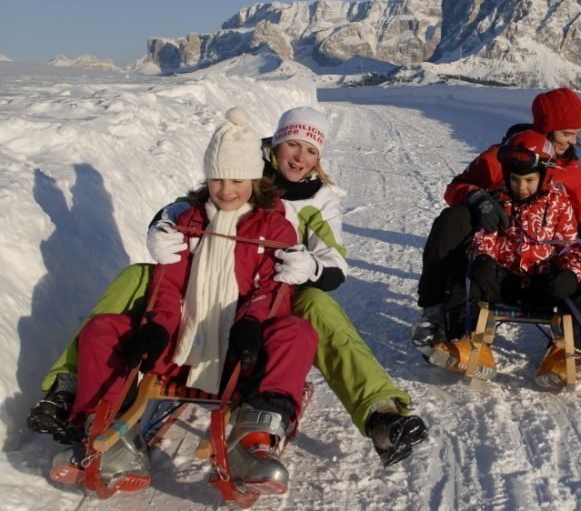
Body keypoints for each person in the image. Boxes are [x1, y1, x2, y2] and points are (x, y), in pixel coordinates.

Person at [29, 107, 428, 468]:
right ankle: (70, 384)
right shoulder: (237, 161)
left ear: (319, 159)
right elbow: (188, 207)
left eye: (310, 151)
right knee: (137, 275)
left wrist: (310, 268)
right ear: (274, 145)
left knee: (319, 310)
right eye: (292, 144)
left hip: (277, 289)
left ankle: (380, 412)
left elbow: (336, 266)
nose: (298, 157)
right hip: (204, 281)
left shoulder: (318, 201)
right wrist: (161, 226)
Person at [51, 107, 317, 493]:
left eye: (237, 180)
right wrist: (158, 326)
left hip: (240, 356)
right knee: (103, 328)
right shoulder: (187, 222)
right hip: (180, 348)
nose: (226, 190)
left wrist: (250, 324)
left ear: (254, 179)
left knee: (297, 333)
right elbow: (168, 285)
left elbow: (269, 290)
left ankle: (254, 442)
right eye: (217, 179)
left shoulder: (274, 226)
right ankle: (103, 432)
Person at [412, 87, 581, 376]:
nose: (573, 141)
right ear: (547, 129)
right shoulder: (508, 156)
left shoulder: (570, 168)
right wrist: (476, 198)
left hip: (549, 254)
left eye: (576, 134)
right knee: (454, 217)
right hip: (502, 248)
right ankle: (435, 315)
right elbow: (455, 188)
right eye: (567, 134)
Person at [428, 129, 581, 390]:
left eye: (529, 180)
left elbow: (569, 247)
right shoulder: (498, 199)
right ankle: (466, 342)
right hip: (503, 279)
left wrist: (569, 273)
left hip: (542, 282)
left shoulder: (559, 203)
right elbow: (484, 237)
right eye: (516, 180)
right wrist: (484, 258)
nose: (521, 188)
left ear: (543, 176)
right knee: (463, 276)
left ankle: (567, 353)